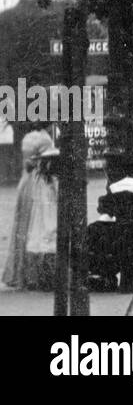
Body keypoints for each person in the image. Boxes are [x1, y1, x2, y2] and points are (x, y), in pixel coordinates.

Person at [3, 124, 55, 289]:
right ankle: (34, 273)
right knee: (38, 225)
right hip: (38, 184)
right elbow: (47, 160)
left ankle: (21, 271)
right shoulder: (44, 139)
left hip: (24, 183)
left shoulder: (27, 138)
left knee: (23, 227)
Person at [92, 170, 133, 293]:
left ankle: (116, 281)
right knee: (132, 258)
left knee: (121, 255)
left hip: (119, 228)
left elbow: (106, 209)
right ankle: (128, 285)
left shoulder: (113, 188)